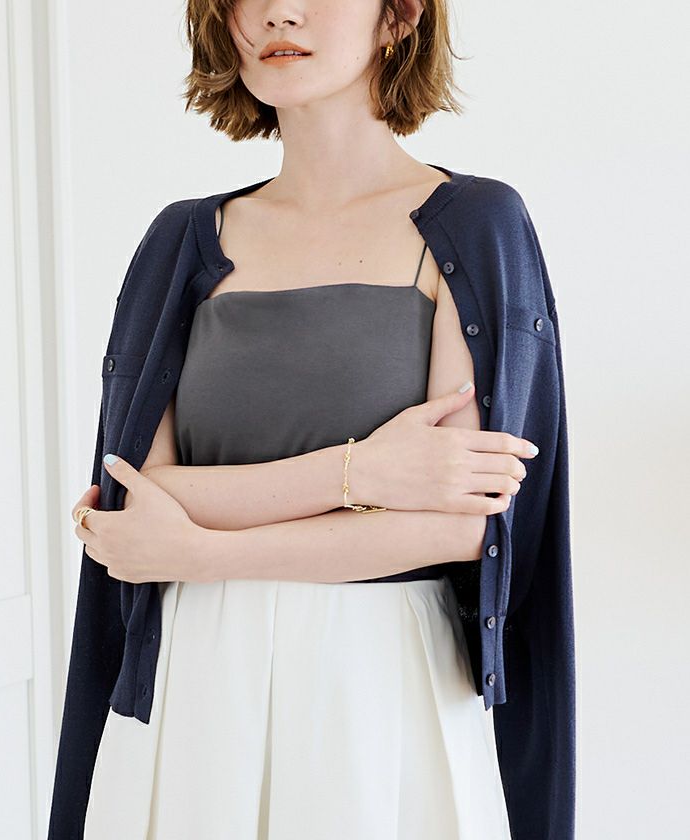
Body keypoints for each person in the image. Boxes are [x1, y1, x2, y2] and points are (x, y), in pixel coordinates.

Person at [53, 1, 573, 838]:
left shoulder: (476, 224)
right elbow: (135, 498)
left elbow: (461, 526)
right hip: (194, 684)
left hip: (381, 687)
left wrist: (203, 551)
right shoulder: (183, 239)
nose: (278, 13)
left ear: (399, 16)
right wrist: (363, 473)